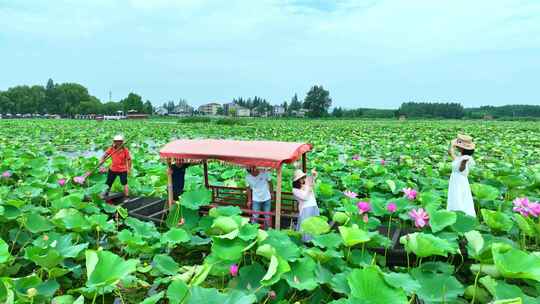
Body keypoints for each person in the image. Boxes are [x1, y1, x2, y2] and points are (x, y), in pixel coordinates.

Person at [447, 134, 476, 217]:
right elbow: (450, 152)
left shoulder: (465, 158)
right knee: (456, 196)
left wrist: (463, 163)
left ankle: (459, 215)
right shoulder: (460, 157)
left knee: (458, 197)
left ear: (462, 148)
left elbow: (461, 169)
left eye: (459, 146)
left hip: (459, 181)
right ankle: (454, 214)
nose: (457, 147)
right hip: (455, 180)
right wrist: (452, 144)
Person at [99, 135, 132, 200]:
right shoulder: (111, 149)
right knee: (108, 182)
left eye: (120, 141)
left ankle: (127, 197)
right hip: (113, 169)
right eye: (116, 141)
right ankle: (106, 193)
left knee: (124, 183)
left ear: (122, 142)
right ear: (114, 142)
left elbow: (129, 160)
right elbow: (104, 155)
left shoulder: (125, 150)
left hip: (122, 169)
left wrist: (129, 169)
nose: (118, 143)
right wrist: (101, 162)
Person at [292, 168, 319, 242]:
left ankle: (314, 242)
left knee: (314, 225)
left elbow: (312, 181)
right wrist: (309, 188)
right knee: (305, 227)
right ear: (297, 180)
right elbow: (305, 197)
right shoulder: (295, 190)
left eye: (303, 177)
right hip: (305, 208)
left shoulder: (306, 184)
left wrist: (313, 175)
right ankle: (305, 243)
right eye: (301, 178)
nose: (303, 179)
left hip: (313, 205)